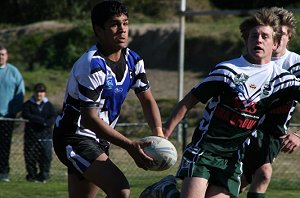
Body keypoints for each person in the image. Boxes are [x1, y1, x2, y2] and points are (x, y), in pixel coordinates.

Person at [141, 7, 300, 198]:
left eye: (265, 36)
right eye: (253, 35)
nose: (258, 40)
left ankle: (167, 191)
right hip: (204, 150)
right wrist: (165, 132)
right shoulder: (227, 71)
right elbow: (190, 100)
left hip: (234, 158)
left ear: (275, 44)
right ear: (246, 40)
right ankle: (165, 189)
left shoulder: (283, 80)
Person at [53, 1, 164, 198]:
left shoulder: (133, 60)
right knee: (120, 188)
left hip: (99, 139)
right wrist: (130, 146)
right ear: (99, 30)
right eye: (114, 24)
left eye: (125, 23)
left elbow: (147, 100)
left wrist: (158, 134)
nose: (122, 29)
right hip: (74, 137)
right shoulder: (92, 64)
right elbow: (89, 119)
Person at [240, 7, 300, 198]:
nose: (279, 38)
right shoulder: (251, 60)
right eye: (276, 33)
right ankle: (168, 190)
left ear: (289, 36)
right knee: (235, 183)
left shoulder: (296, 65)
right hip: (239, 128)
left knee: (262, 174)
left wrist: (299, 134)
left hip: (270, 134)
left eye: (282, 34)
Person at [22, 83, 57, 183]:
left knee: (46, 157)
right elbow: (26, 115)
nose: (39, 94)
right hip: (31, 136)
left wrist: (47, 123)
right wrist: (42, 121)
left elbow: (53, 116)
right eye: (37, 91)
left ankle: (44, 176)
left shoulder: (49, 105)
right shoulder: (28, 104)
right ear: (34, 92)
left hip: (46, 136)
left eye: (41, 92)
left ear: (44, 93)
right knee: (30, 157)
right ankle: (32, 176)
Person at [0, 45, 25, 182]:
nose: (1, 57)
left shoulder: (14, 72)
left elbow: (20, 93)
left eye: (3, 54)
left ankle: (3, 173)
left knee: (4, 146)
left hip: (7, 117)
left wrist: (14, 111)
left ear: (7, 56)